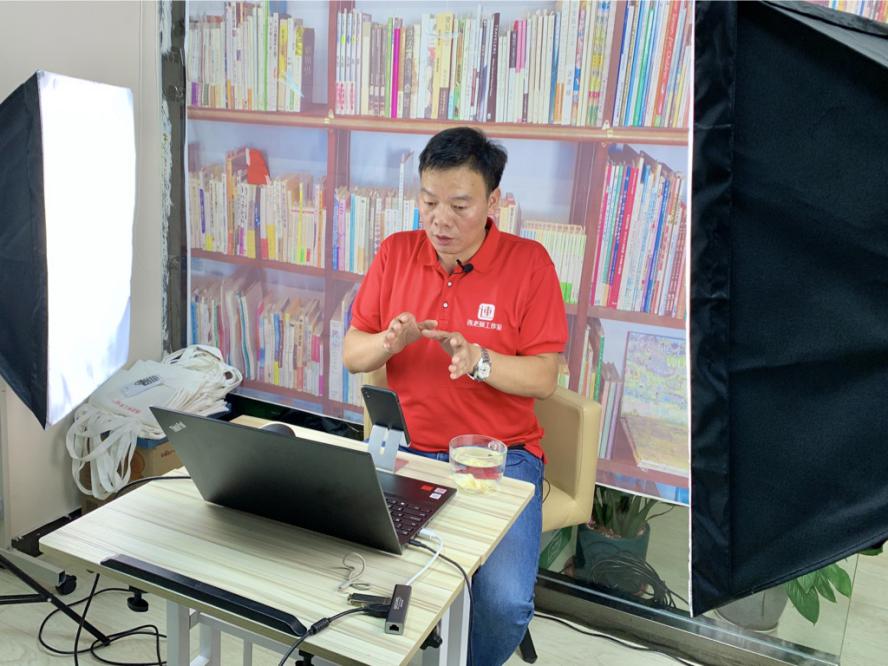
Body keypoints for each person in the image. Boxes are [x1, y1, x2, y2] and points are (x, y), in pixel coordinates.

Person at [342, 126, 567, 665]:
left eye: (459, 205)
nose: (439, 220)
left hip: (498, 458)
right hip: (408, 448)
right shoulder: (396, 253)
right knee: (349, 570)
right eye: (428, 201)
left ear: (493, 202)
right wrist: (389, 342)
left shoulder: (529, 264)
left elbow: (544, 378)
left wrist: (481, 361)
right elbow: (353, 352)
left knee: (504, 604)